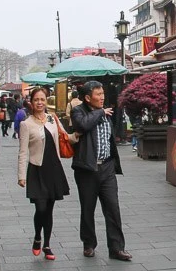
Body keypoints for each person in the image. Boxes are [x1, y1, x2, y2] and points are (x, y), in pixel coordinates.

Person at [71, 80, 131, 261]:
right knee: (88, 208)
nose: (102, 97)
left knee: (113, 208)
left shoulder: (105, 113)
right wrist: (99, 112)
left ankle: (117, 248)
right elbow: (82, 126)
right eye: (98, 94)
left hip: (107, 167)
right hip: (87, 168)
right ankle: (89, 244)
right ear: (88, 97)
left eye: (102, 93)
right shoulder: (78, 111)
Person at [18, 87, 72, 261]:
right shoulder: (26, 124)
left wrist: (80, 133)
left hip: (53, 168)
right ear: (31, 102)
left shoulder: (52, 119)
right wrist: (21, 175)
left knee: (49, 209)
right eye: (36, 100)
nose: (40, 103)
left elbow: (65, 136)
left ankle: (47, 244)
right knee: (40, 208)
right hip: (37, 168)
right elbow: (23, 152)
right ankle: (37, 237)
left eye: (42, 99)